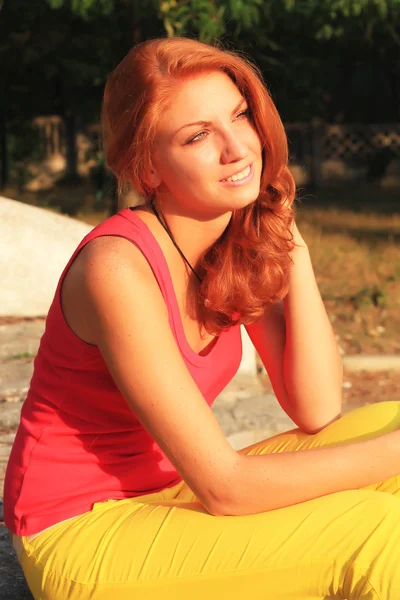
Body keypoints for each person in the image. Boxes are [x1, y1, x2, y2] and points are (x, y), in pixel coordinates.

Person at [4, 37, 400, 600]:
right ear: (149, 167)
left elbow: (317, 408)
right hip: (83, 533)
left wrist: (293, 248)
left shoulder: (229, 239)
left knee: (385, 423)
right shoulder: (117, 269)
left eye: (238, 116)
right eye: (197, 136)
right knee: (374, 532)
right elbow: (227, 489)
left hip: (171, 492)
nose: (238, 148)